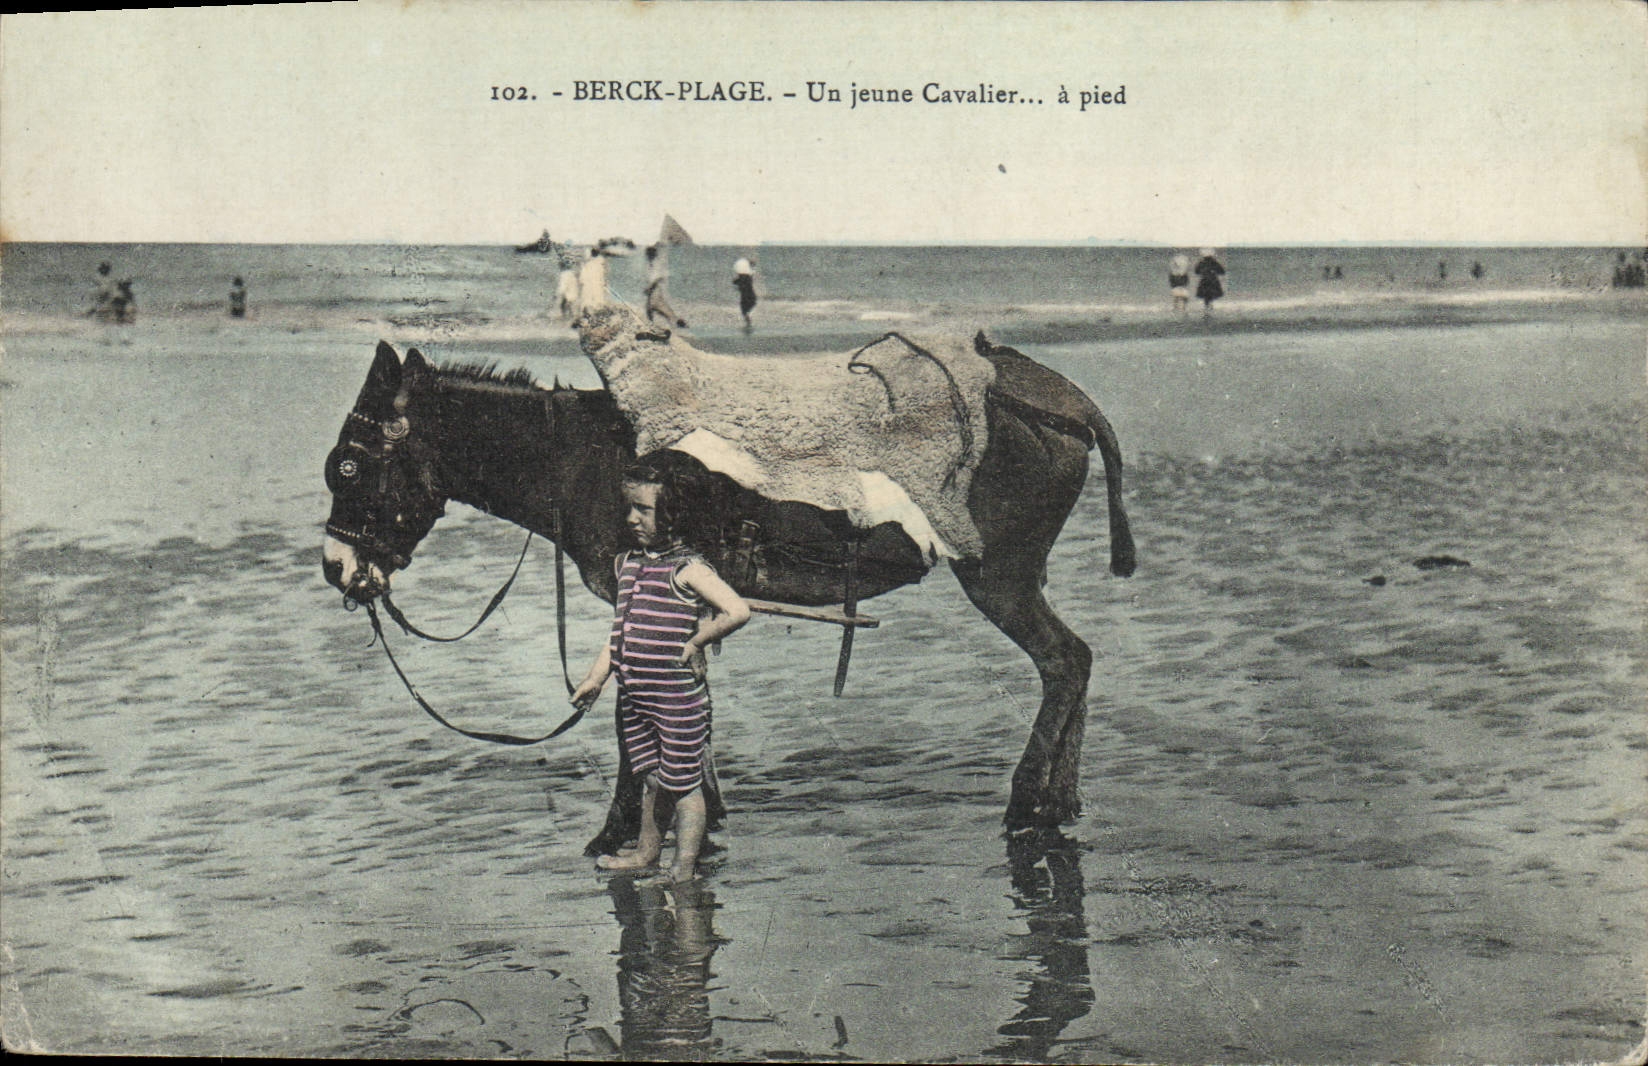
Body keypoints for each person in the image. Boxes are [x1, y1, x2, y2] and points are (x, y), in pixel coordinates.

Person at [572, 458, 751, 883]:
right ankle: (646, 855)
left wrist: (696, 641)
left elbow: (737, 610)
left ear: (672, 515)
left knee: (684, 787)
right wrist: (596, 678)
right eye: (629, 508)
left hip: (676, 699)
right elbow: (617, 635)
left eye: (644, 510)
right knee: (653, 780)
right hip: (637, 697)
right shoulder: (628, 564)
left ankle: (683, 867)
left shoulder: (688, 568)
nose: (632, 518)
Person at [644, 244, 687, 329]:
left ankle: (677, 323)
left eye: (649, 254)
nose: (647, 257)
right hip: (653, 290)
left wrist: (649, 287)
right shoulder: (651, 265)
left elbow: (657, 278)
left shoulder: (656, 264)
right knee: (652, 308)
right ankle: (652, 326)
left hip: (655, 290)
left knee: (657, 307)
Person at [1193, 248, 1225, 315]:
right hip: (1213, 280)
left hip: (1204, 280)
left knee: (1206, 296)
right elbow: (1222, 271)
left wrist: (1203, 272)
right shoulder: (1214, 262)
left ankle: (1207, 308)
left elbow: (1196, 271)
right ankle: (1210, 308)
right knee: (1211, 295)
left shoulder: (1201, 262)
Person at [732, 256, 757, 331]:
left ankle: (748, 323)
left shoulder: (744, 276)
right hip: (749, 296)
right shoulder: (747, 276)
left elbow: (735, 282)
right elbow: (737, 282)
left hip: (746, 296)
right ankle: (748, 323)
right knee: (747, 310)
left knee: (745, 311)